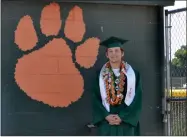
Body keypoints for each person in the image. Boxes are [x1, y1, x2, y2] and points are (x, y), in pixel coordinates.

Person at [92, 36, 143, 136]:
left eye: (116, 51)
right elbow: (95, 97)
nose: (113, 54)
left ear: (122, 53)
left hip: (126, 122)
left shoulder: (133, 74)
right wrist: (106, 116)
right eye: (110, 51)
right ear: (107, 54)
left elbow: (138, 98)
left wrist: (122, 117)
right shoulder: (100, 75)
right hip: (107, 122)